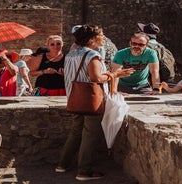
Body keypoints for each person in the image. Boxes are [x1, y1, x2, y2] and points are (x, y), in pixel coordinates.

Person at [57, 24, 134, 181]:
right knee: (90, 135)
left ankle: (62, 164)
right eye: (102, 35)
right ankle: (84, 171)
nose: (104, 37)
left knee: (76, 131)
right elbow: (96, 78)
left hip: (75, 97)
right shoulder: (93, 55)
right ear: (92, 39)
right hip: (91, 99)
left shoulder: (71, 54)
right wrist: (115, 74)